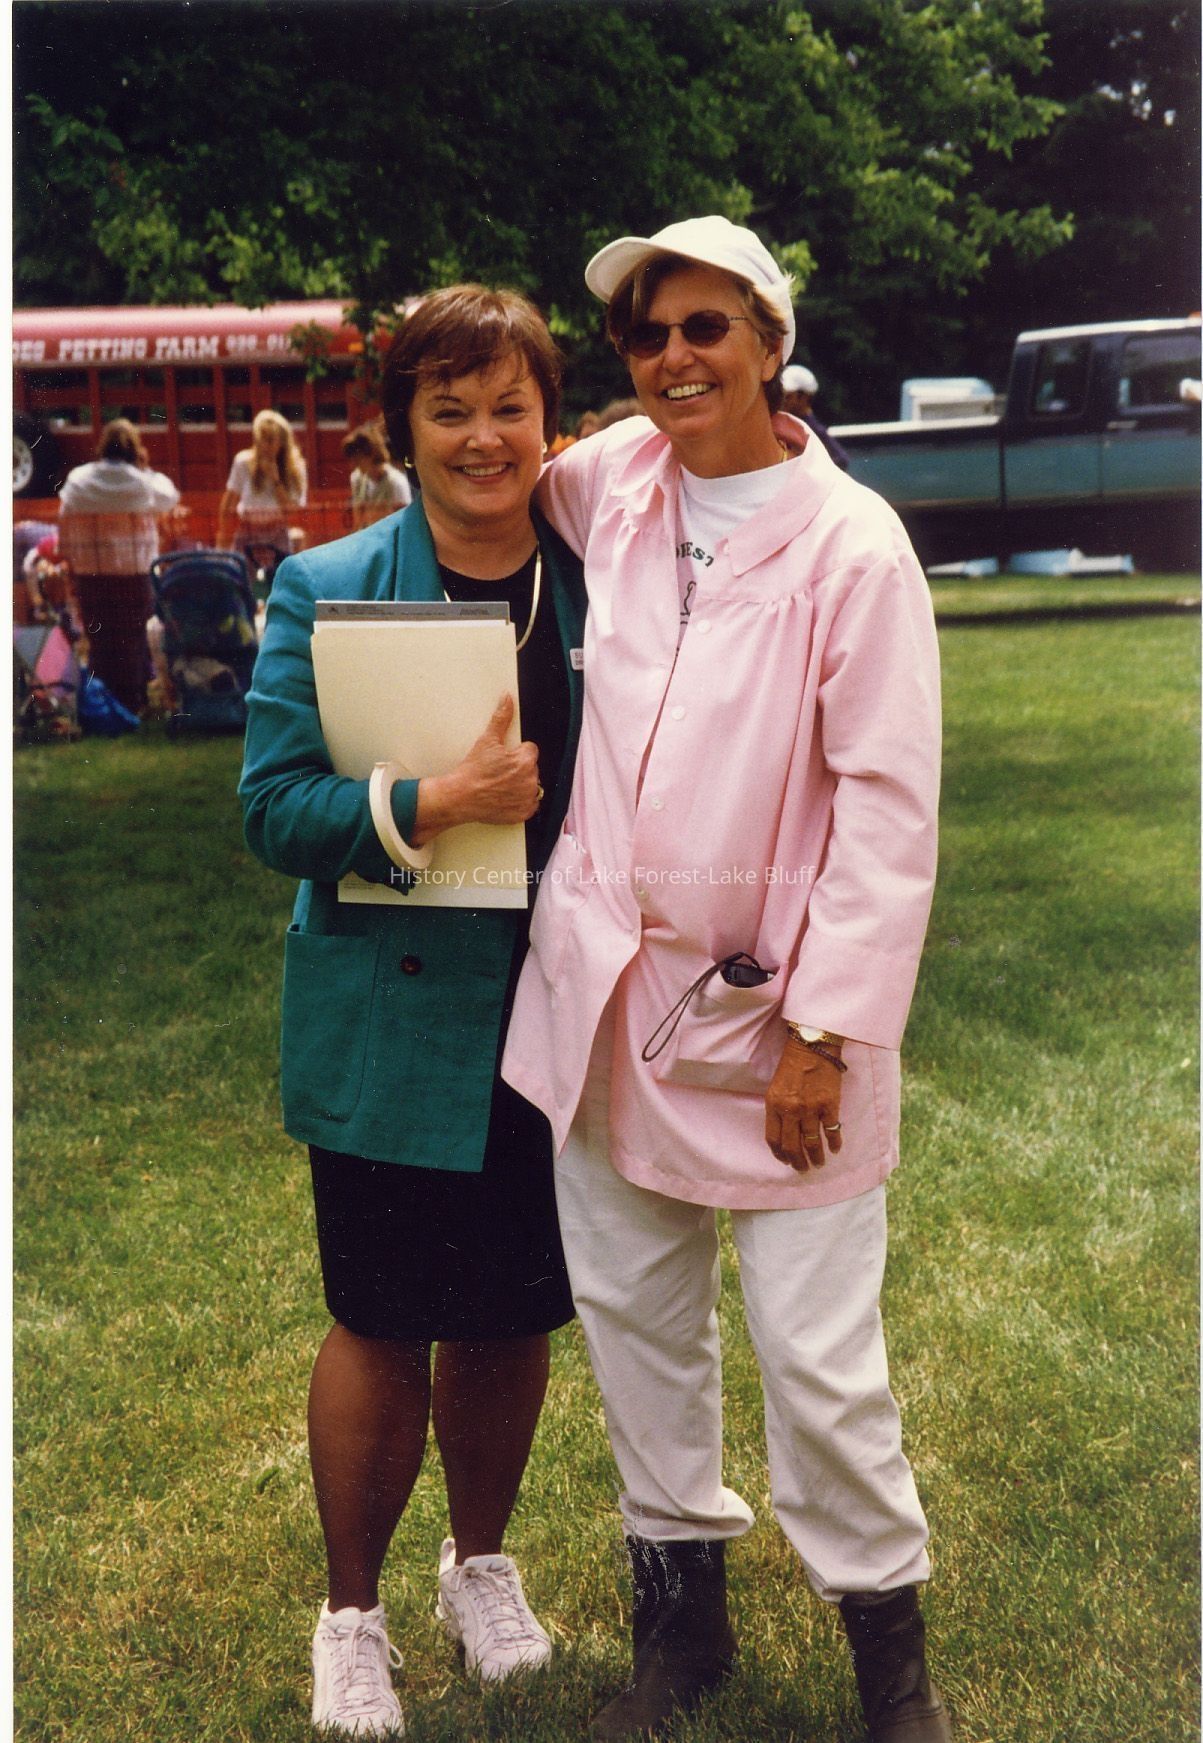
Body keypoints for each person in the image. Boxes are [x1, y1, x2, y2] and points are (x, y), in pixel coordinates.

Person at [501, 216, 949, 1743]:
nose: (673, 357)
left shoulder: (849, 544)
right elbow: (489, 475)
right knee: (633, 1319)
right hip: (611, 998)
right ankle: (679, 1629)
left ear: (769, 340)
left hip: (782, 1022)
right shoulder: (611, 483)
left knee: (816, 1359)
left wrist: (826, 1030)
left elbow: (885, 803)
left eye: (704, 327)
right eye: (645, 334)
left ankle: (889, 1661)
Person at [239, 284, 586, 1740]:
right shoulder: (328, 584)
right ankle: (352, 1619)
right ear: (404, 429)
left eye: (510, 406)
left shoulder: (601, 577)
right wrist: (431, 801)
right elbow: (273, 808)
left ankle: (479, 1568)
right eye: (450, 409)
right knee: (379, 1314)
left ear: (551, 422)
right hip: (391, 1009)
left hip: (554, 1006)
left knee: (511, 1307)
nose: (483, 436)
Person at [57, 418, 180, 713]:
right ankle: (133, 701)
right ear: (134, 449)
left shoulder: (78, 480)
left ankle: (101, 703)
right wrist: (144, 468)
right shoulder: (141, 481)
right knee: (133, 640)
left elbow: (64, 523)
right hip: (133, 574)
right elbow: (170, 496)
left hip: (91, 573)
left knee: (100, 640)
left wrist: (70, 560)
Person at [217, 408, 307, 565]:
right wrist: (223, 536)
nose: (265, 446)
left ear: (282, 442)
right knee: (242, 575)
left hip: (277, 533)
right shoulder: (243, 462)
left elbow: (292, 511)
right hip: (248, 532)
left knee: (279, 575)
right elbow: (229, 501)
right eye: (261, 439)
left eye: (270, 440)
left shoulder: (295, 467)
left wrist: (276, 480)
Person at [781, 361, 851, 470]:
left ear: (803, 397)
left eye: (788, 396)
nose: (783, 401)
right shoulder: (787, 424)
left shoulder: (812, 430)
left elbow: (840, 460)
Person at [342, 421, 412, 528]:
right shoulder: (357, 478)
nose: (354, 463)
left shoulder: (396, 482)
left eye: (358, 458)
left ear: (371, 454)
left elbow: (406, 522)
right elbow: (357, 522)